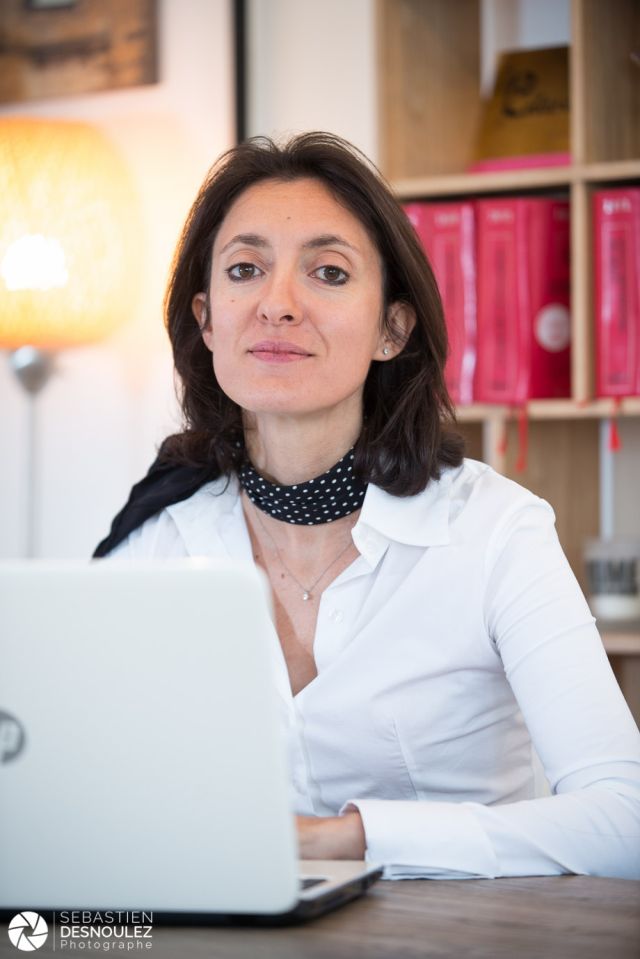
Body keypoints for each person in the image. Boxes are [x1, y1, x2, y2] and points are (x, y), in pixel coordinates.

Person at [95, 132, 640, 880]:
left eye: (327, 272)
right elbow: (91, 791)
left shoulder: (495, 531)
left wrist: (350, 837)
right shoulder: (155, 538)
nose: (277, 304)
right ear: (208, 318)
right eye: (245, 270)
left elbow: (625, 818)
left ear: (393, 328)